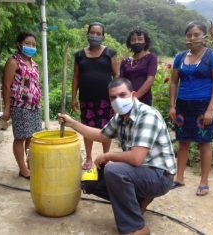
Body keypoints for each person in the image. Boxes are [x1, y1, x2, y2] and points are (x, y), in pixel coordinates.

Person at [59, 78, 176, 235]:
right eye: (113, 97)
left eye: (122, 95)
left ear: (133, 95)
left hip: (160, 176)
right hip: (141, 172)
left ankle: (137, 228)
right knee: (91, 183)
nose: (118, 100)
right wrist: (73, 123)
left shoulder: (147, 116)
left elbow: (136, 158)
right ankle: (139, 201)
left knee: (114, 171)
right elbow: (101, 135)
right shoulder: (120, 117)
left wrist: (108, 155)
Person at [169, 21, 213, 196]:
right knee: (183, 141)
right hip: (183, 105)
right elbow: (174, 82)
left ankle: (204, 181)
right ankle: (179, 178)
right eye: (189, 35)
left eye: (196, 34)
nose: (192, 38)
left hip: (203, 106)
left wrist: (210, 109)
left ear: (204, 36)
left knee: (204, 143)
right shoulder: (180, 57)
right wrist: (172, 106)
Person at [72, 22, 119, 170]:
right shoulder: (79, 55)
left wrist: (115, 95)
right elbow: (75, 78)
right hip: (86, 99)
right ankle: (89, 158)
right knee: (87, 129)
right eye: (92, 32)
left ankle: (105, 157)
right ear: (87, 34)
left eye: (98, 34)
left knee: (107, 129)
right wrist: (73, 97)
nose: (95, 36)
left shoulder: (109, 53)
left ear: (103, 36)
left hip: (106, 99)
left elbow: (116, 74)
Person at [2, 32, 42, 179]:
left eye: (33, 44)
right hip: (19, 106)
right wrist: (7, 108)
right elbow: (6, 86)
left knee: (32, 137)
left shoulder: (34, 64)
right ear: (19, 44)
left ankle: (30, 165)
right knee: (20, 137)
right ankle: (23, 169)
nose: (31, 47)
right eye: (27, 43)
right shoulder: (13, 62)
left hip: (34, 107)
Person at [120, 29, 158, 106]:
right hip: (126, 100)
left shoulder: (151, 57)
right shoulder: (125, 61)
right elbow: (121, 81)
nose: (137, 42)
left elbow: (150, 80)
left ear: (145, 42)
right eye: (133, 40)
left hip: (144, 100)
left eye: (140, 39)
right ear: (129, 43)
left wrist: (135, 97)